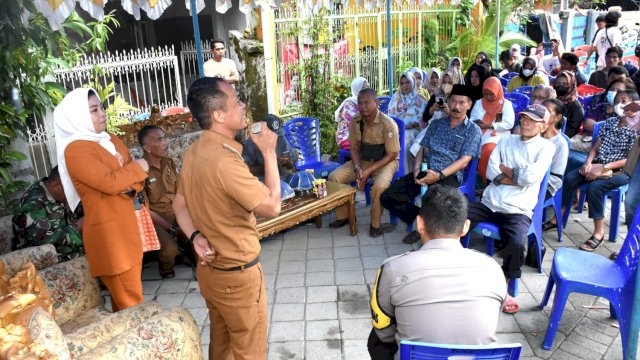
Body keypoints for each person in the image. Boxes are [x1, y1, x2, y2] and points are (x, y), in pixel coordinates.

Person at [173, 77, 281, 359]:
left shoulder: (196, 151)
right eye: (236, 101)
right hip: (238, 277)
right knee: (249, 351)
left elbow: (179, 204)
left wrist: (195, 237)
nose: (244, 104)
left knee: (221, 347)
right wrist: (269, 152)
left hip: (211, 275)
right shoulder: (225, 161)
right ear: (219, 115)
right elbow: (271, 206)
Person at [369, 185, 506, 359]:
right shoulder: (493, 269)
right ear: (465, 227)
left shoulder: (392, 269)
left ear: (420, 224)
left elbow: (384, 332)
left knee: (376, 339)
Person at [54, 88, 149, 312]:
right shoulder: (75, 150)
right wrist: (131, 170)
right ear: (78, 116)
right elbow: (111, 182)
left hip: (128, 230)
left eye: (101, 107)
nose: (102, 113)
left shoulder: (110, 139)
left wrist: (127, 175)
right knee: (132, 306)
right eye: (94, 110)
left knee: (125, 303)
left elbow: (136, 181)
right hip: (110, 238)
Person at [467, 104, 555, 314]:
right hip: (490, 202)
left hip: (518, 208)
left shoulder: (546, 147)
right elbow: (491, 171)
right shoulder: (506, 140)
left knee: (516, 245)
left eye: (532, 120)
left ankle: (504, 287)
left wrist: (509, 174)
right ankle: (456, 270)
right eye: (524, 117)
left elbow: (530, 177)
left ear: (543, 126)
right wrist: (515, 177)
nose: (525, 122)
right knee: (454, 219)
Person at [381, 84, 481, 244]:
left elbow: (464, 161)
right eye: (453, 101)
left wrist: (439, 175)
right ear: (448, 101)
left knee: (438, 204)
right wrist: (416, 168)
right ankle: (421, 221)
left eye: (462, 103)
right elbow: (423, 148)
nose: (456, 106)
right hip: (426, 169)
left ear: (469, 104)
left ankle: (427, 231)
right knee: (388, 197)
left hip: (449, 175)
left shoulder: (473, 130)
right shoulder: (437, 124)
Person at [562, 91, 640, 252]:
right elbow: (596, 146)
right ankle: (558, 217)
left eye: (624, 101)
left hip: (621, 171)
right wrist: (588, 163)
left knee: (595, 187)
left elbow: (631, 160)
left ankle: (599, 233)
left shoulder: (636, 128)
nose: (620, 104)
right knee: (570, 178)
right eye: (617, 100)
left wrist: (605, 167)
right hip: (598, 163)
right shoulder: (610, 122)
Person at [329, 87, 400, 237]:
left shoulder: (388, 124)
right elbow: (353, 147)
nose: (363, 107)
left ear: (377, 103)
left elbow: (392, 154)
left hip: (386, 161)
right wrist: (357, 168)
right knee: (335, 177)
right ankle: (344, 216)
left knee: (379, 186)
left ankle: (376, 225)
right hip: (364, 159)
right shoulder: (355, 121)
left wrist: (367, 172)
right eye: (360, 103)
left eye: (367, 103)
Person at [12, 166, 84, 262]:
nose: (76, 195)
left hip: (69, 249)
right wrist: (77, 227)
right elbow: (42, 239)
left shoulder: (61, 193)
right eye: (73, 191)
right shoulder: (33, 203)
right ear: (56, 187)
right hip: (42, 257)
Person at [138, 125, 182, 279]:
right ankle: (166, 264)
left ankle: (183, 251)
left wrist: (186, 218)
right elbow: (144, 210)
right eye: (159, 140)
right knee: (169, 249)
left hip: (178, 212)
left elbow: (181, 193)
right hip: (157, 220)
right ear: (147, 148)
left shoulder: (169, 163)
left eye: (164, 138)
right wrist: (171, 228)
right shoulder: (140, 171)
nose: (165, 143)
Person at [470, 77, 515, 181]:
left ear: (498, 91)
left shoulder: (506, 104)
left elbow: (509, 123)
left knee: (488, 150)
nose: (488, 97)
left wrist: (491, 126)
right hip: (478, 132)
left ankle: (485, 180)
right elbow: (472, 118)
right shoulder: (479, 102)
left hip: (497, 135)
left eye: (491, 94)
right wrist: (476, 122)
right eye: (485, 94)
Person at [388, 72, 427, 173]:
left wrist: (411, 125)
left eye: (408, 82)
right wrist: (400, 127)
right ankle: (392, 173)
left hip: (415, 131)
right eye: (402, 83)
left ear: (413, 82)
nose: (404, 86)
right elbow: (390, 119)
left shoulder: (420, 99)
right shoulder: (395, 99)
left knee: (405, 140)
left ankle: (407, 173)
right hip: (397, 129)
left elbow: (424, 121)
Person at [540, 99, 569, 232]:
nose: (543, 113)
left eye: (548, 111)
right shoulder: (532, 133)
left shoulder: (560, 143)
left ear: (557, 118)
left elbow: (556, 176)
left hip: (547, 184)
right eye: (541, 109)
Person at [243, 114, 297, 181]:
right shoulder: (252, 142)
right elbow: (244, 170)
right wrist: (271, 163)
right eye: (271, 134)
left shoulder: (281, 138)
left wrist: (288, 162)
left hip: (282, 178)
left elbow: (292, 166)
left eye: (277, 133)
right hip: (262, 182)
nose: (275, 137)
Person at [335, 77, 369, 150]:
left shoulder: (368, 102)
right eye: (363, 88)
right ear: (357, 89)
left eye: (368, 87)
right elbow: (357, 123)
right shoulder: (349, 104)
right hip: (347, 137)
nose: (367, 90)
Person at [553, 71, 584, 138]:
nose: (560, 86)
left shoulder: (576, 107)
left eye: (565, 84)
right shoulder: (551, 101)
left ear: (572, 85)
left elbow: (571, 130)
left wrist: (553, 137)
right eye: (558, 83)